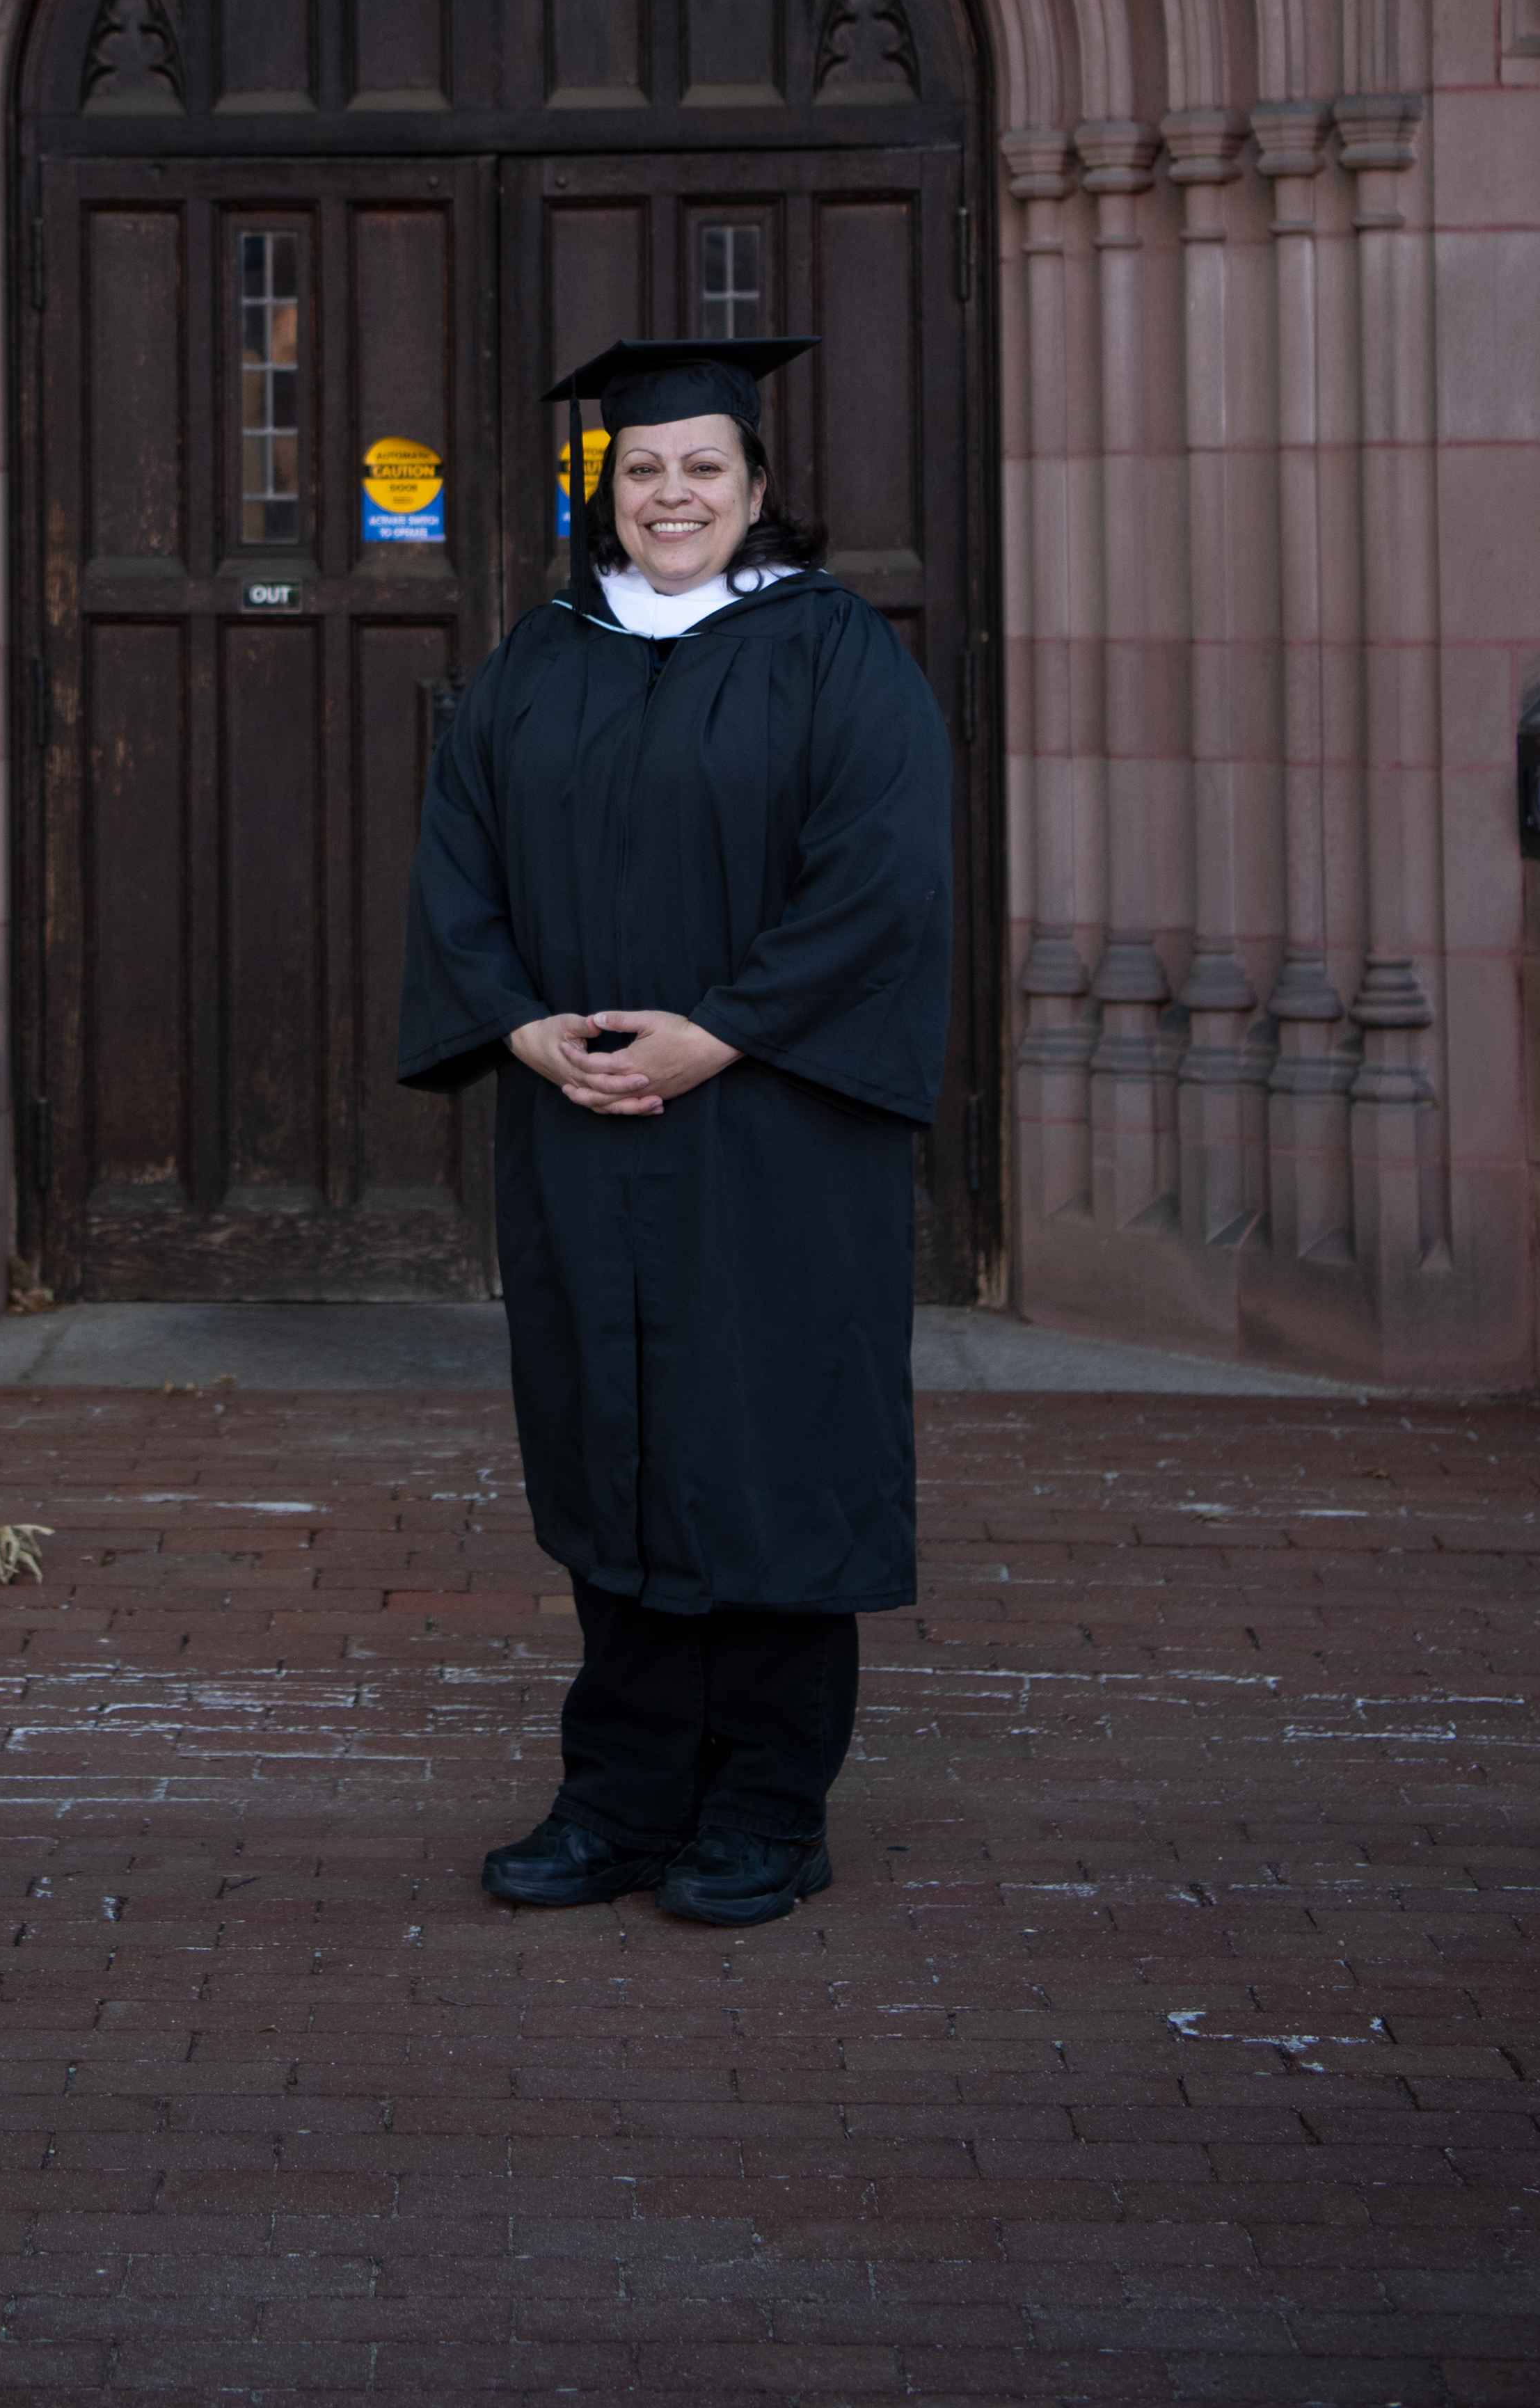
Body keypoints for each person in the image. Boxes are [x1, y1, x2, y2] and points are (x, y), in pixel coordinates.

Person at [398, 338, 953, 1927]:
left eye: (704, 465)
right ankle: (624, 1792)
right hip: (584, 1115)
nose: (672, 493)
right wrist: (513, 1018)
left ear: (758, 487)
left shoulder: (835, 651)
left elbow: (885, 871)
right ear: (606, 489)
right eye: (642, 468)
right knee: (615, 1438)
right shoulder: (543, 652)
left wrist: (725, 1029)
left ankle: (769, 1803)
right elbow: (459, 858)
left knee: (768, 1436)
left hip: (775, 1127)